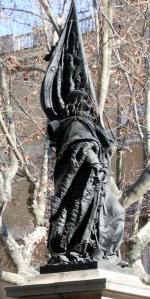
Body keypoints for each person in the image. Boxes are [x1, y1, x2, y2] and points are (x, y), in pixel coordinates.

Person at [46, 90, 125, 266]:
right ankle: (86, 250)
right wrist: (96, 163)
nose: (87, 104)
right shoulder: (74, 123)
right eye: (83, 100)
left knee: (117, 212)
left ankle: (107, 254)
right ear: (74, 102)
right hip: (85, 179)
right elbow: (81, 145)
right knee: (83, 216)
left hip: (99, 181)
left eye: (87, 100)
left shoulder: (89, 125)